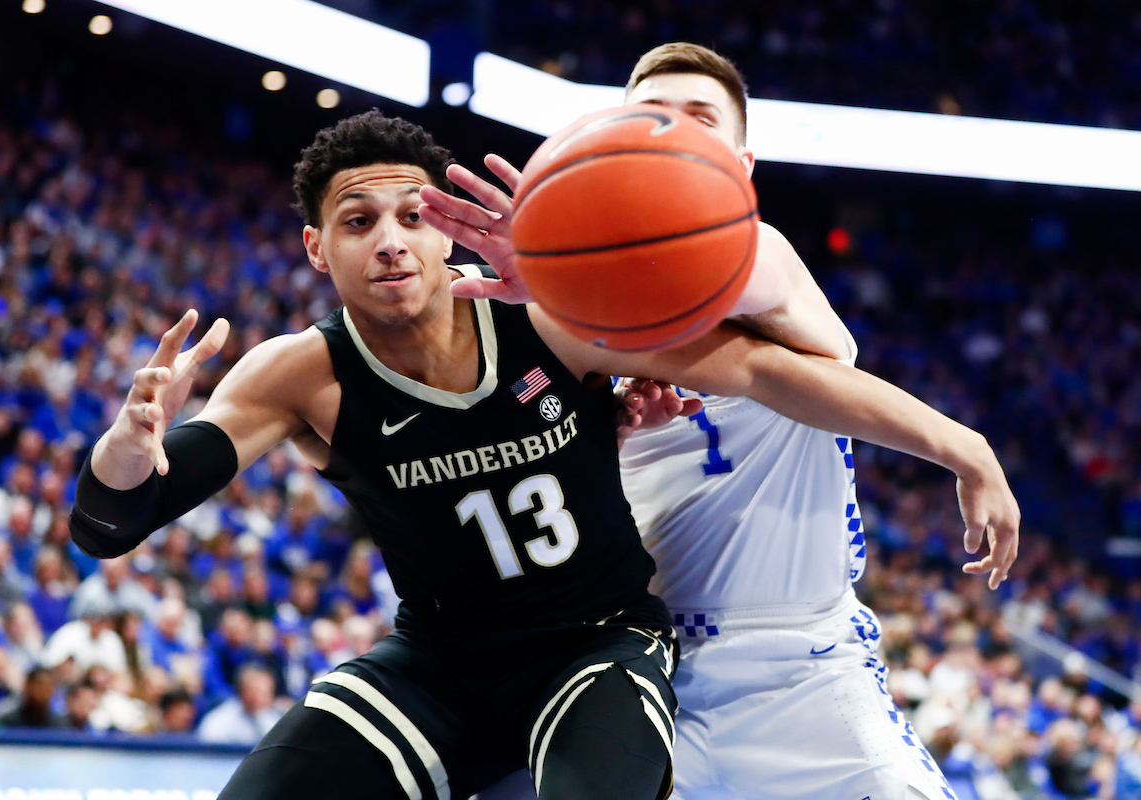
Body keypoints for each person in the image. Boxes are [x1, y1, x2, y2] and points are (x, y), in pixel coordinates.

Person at [70, 110, 1014, 800]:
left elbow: (768, 373)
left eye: (413, 216)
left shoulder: (552, 328)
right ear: (319, 250)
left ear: (449, 232)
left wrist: (962, 448)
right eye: (360, 224)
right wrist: (126, 447)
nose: (392, 242)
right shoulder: (297, 373)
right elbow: (115, 522)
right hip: (438, 659)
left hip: (596, 644)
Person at [418, 43, 1018, 800]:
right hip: (643, 665)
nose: (668, 132)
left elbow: (742, 320)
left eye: (697, 121)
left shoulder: (761, 262)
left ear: (740, 163)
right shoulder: (575, 329)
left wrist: (968, 450)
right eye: (648, 117)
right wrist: (602, 432)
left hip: (805, 671)